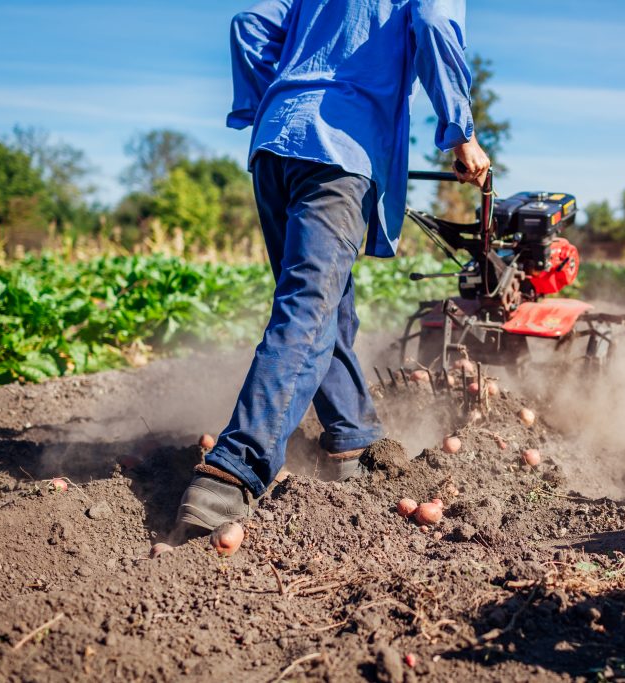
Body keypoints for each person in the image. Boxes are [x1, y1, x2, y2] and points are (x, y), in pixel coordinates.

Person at [174, 0, 491, 533]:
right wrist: (461, 135)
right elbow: (435, 22)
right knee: (309, 310)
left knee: (326, 306)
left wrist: (278, 99)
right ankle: (232, 471)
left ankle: (352, 439)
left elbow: (248, 25)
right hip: (340, 148)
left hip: (275, 144)